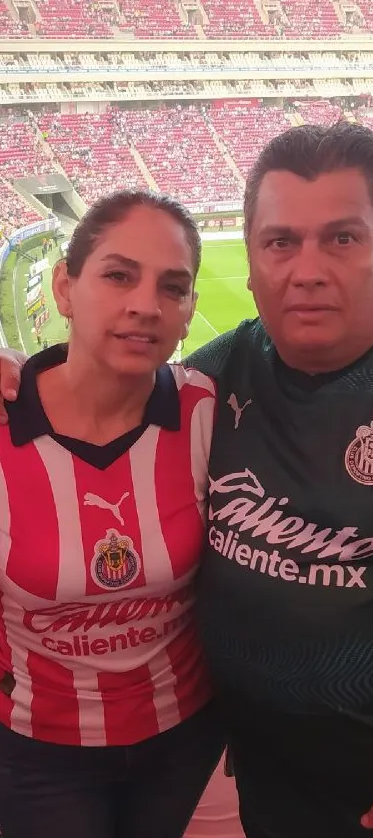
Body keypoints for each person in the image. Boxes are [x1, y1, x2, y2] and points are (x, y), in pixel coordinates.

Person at [3, 121, 373, 837]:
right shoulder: (214, 381)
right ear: (250, 265)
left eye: (341, 238)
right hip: (257, 768)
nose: (305, 269)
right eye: (281, 241)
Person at [0, 188, 224, 838]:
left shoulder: (208, 409)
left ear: (188, 314)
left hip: (183, 739)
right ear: (66, 288)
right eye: (119, 274)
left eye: (173, 287)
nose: (144, 305)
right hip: (37, 751)